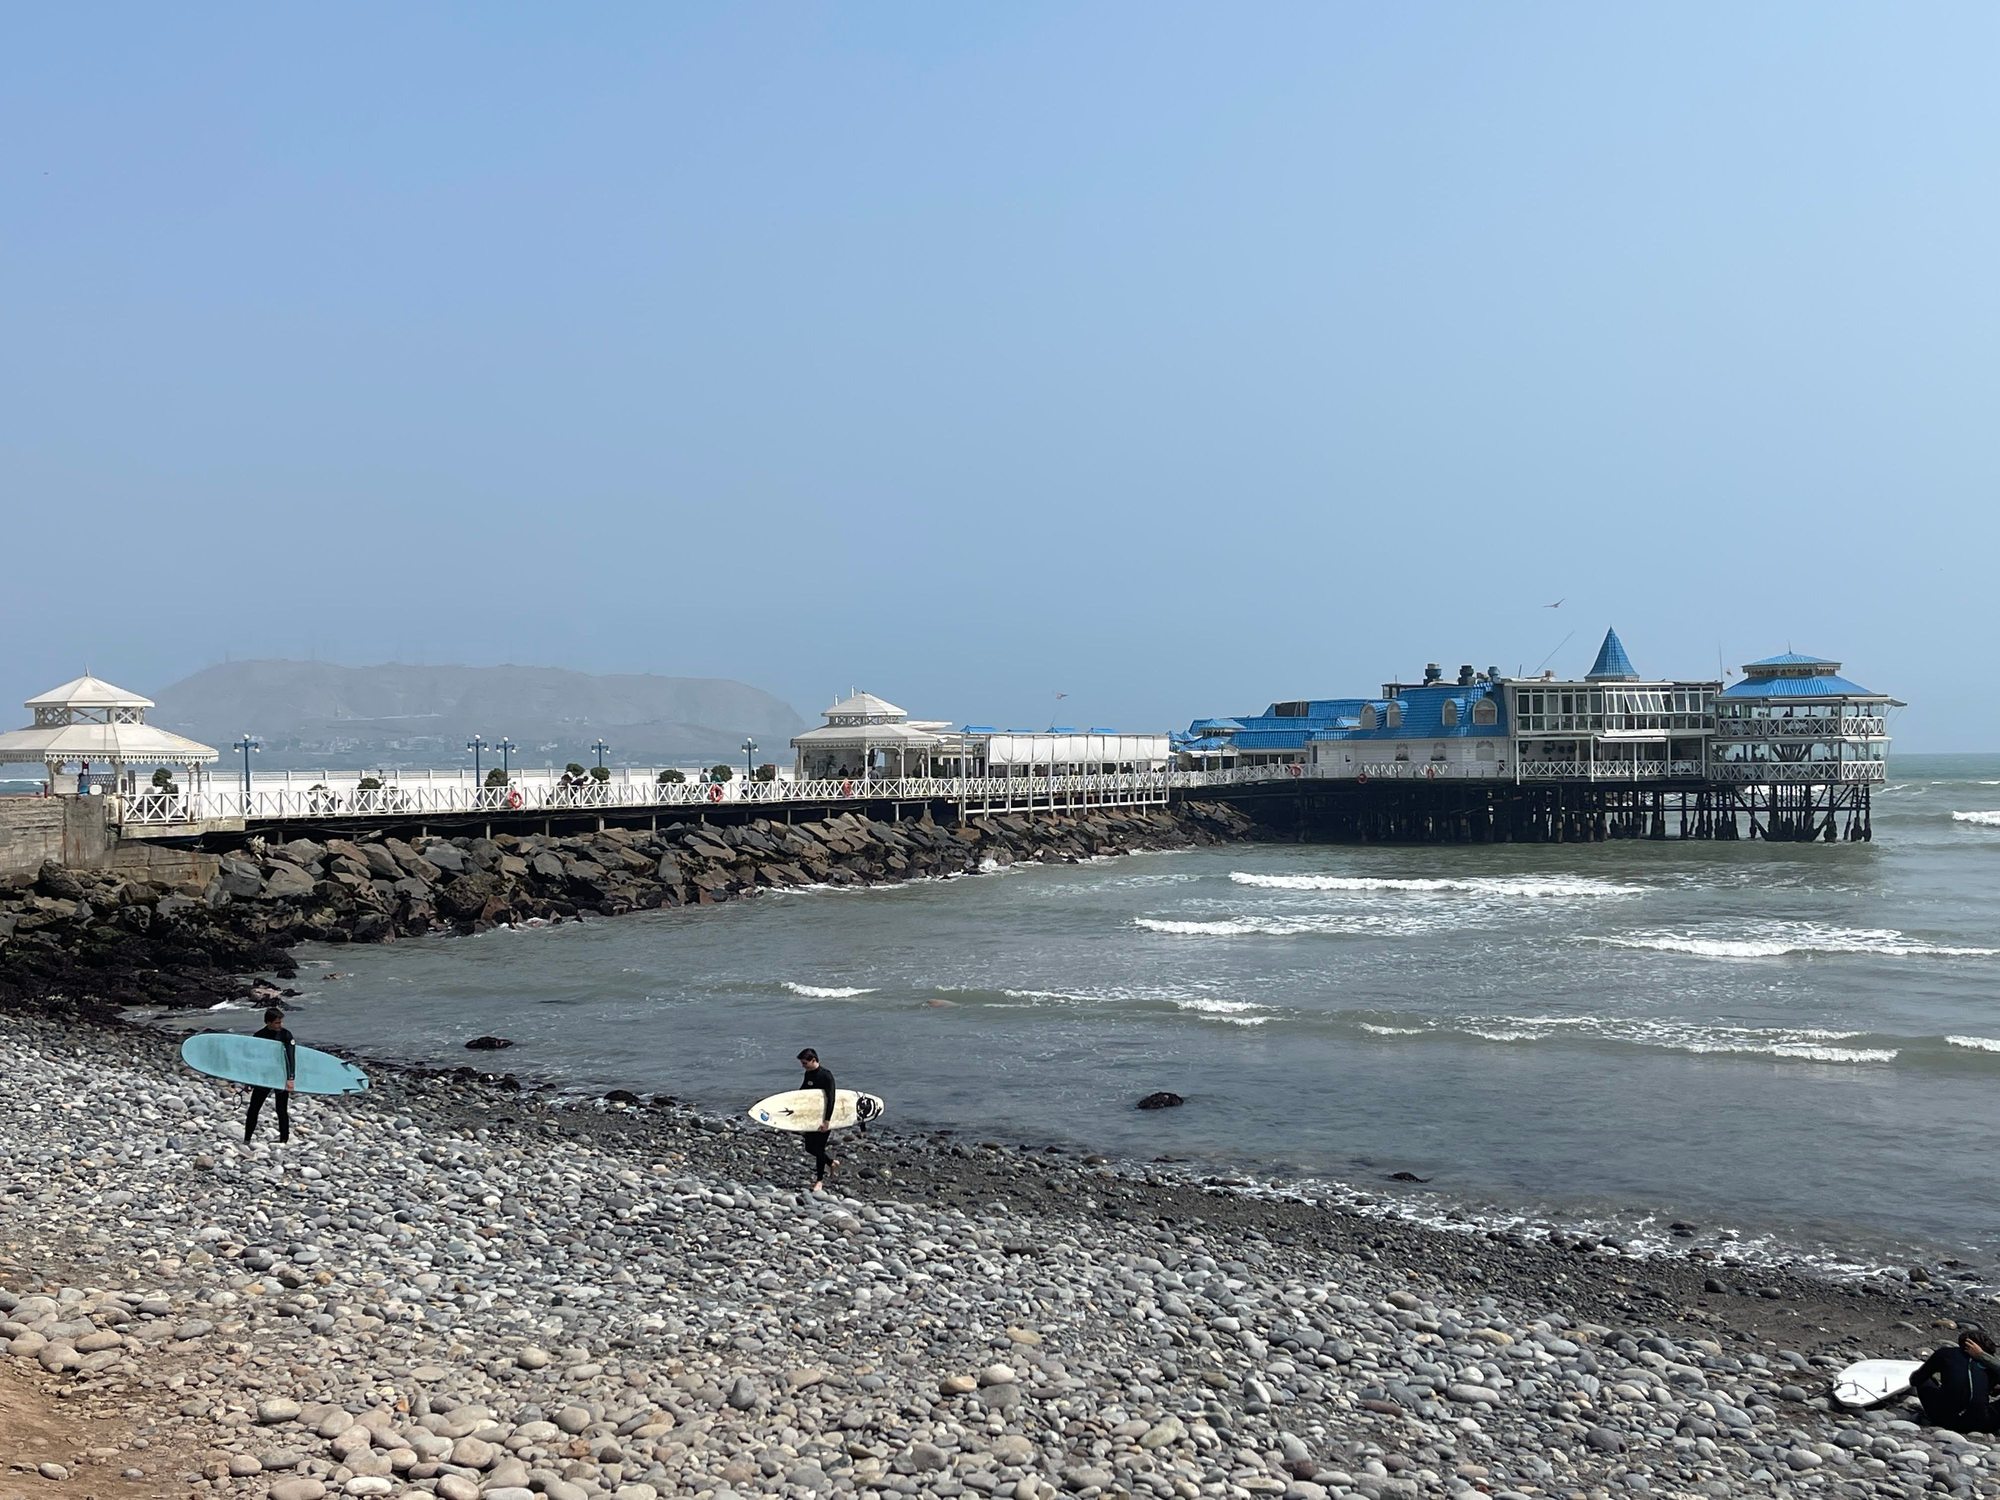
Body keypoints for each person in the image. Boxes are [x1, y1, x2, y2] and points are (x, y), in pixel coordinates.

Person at [1911, 1328, 2000, 1432]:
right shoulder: (1990, 1366)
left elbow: (1916, 1379)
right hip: (1982, 1423)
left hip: (1944, 1419)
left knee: (1924, 1380)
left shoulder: (1945, 1354)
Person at [244, 1006, 297, 1144]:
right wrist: (249, 1081)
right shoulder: (259, 1036)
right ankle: (247, 1139)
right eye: (277, 1023)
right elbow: (252, 1060)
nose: (280, 1025)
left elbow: (291, 1057)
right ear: (268, 1022)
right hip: (264, 1077)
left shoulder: (286, 1035)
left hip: (280, 1076)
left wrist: (291, 1078)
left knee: (281, 1110)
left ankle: (284, 1140)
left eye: (281, 1022)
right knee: (254, 1109)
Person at [796, 1047, 837, 1191]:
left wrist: (827, 1121)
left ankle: (819, 1180)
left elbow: (832, 1098)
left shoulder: (826, 1076)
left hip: (825, 1117)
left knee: (819, 1148)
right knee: (809, 1148)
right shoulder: (808, 1074)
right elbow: (803, 1092)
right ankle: (830, 1162)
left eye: (805, 1063)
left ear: (814, 1060)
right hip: (811, 1117)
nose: (803, 1066)